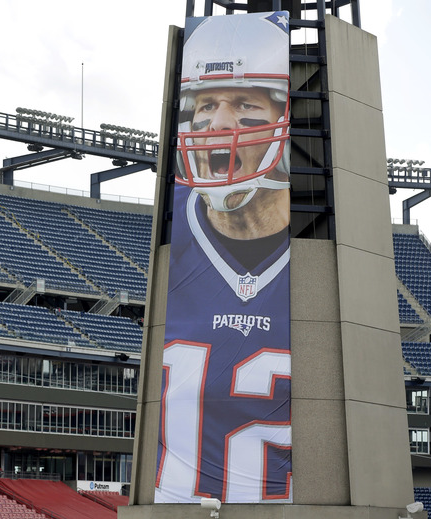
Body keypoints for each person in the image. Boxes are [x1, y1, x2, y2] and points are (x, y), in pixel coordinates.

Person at [155, 12, 292, 505]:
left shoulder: (312, 259)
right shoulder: (175, 238)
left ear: (283, 120)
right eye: (207, 104)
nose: (218, 124)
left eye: (243, 104)